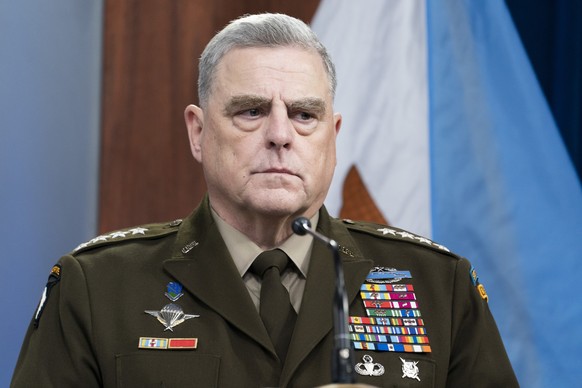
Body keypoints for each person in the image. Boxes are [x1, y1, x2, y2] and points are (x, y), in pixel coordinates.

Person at [11, 13, 518, 387]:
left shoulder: (438, 287)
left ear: (333, 134)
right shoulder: (98, 289)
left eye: (304, 114)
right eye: (251, 111)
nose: (280, 134)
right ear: (198, 131)